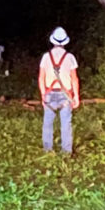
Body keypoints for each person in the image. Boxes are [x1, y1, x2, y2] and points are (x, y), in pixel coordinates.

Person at [39, 26, 80, 155]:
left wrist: (42, 95)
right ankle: (66, 152)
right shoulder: (70, 57)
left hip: (49, 93)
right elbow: (74, 79)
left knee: (47, 123)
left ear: (53, 41)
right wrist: (76, 96)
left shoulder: (46, 57)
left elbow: (41, 77)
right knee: (66, 124)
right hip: (65, 94)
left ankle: (47, 150)